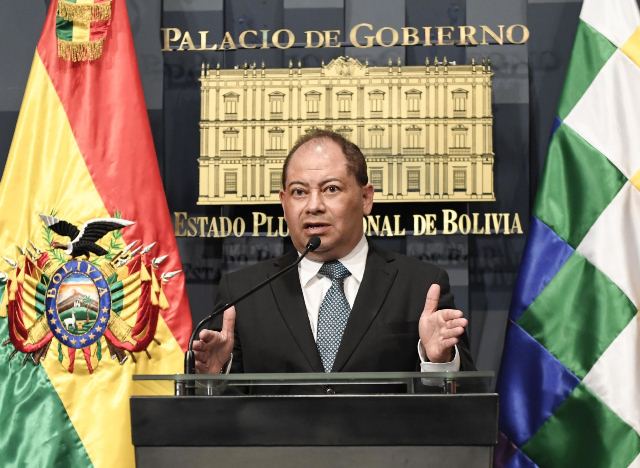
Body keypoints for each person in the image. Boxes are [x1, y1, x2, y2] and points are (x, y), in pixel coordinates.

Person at [193, 129, 474, 376]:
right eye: (299, 192)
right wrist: (213, 378)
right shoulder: (243, 293)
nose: (314, 205)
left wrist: (439, 362)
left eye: (331, 189)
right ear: (283, 203)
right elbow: (222, 409)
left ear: (365, 198)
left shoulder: (420, 286)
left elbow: (463, 401)